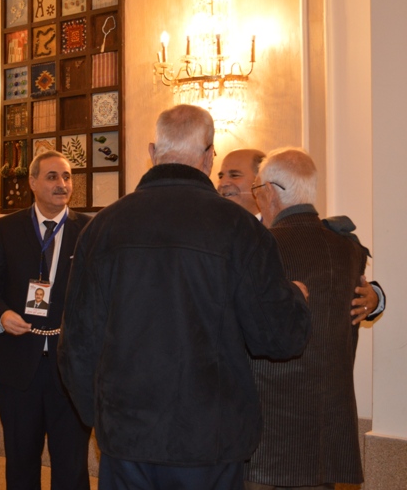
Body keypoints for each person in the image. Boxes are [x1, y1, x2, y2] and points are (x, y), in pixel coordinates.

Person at [59, 104, 311, 489]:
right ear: (209, 156)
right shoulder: (239, 228)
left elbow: (76, 344)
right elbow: (278, 338)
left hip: (127, 439)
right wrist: (296, 299)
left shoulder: (102, 228)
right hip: (210, 440)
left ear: (152, 152)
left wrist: (102, 419)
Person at [245, 148, 366, 489]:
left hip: (269, 436)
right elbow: (359, 303)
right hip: (328, 433)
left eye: (257, 191)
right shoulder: (349, 249)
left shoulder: (260, 247)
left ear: (270, 192)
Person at [0, 150, 91, 490]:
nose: (62, 183)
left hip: (70, 368)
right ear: (33, 182)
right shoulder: (7, 228)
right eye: (52, 176)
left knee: (71, 465)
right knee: (21, 463)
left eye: (67, 176)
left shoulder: (88, 229)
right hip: (18, 366)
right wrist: (2, 314)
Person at [217, 148, 385, 354]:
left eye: (235, 175)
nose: (223, 182)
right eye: (220, 175)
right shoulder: (223, 235)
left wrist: (375, 298)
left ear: (267, 190)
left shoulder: (261, 243)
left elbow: (336, 285)